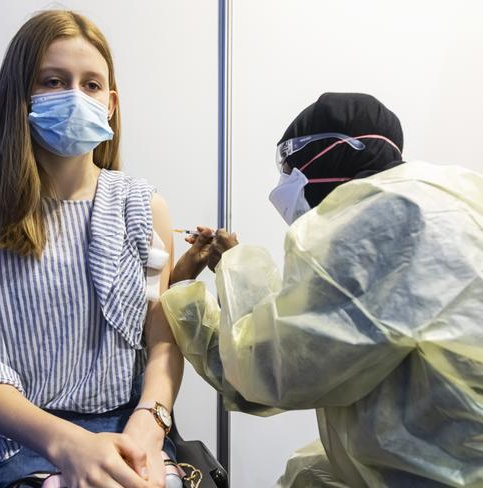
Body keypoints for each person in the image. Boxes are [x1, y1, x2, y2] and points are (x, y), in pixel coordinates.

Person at [0, 10, 184, 488]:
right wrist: (68, 445)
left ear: (111, 103)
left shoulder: (143, 209)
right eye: (54, 81)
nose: (75, 97)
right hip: (19, 445)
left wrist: (151, 420)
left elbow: (162, 338)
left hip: (130, 428)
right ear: (20, 96)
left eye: (91, 84)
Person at [161, 93, 483, 487]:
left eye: (290, 167)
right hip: (455, 449)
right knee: (308, 475)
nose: (283, 185)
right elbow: (315, 341)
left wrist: (187, 290)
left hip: (443, 471)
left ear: (332, 154)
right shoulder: (452, 192)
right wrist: (232, 267)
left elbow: (267, 372)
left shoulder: (376, 218)